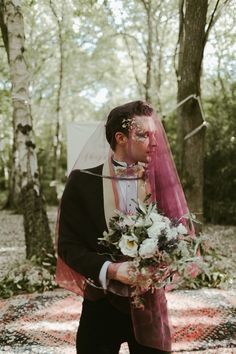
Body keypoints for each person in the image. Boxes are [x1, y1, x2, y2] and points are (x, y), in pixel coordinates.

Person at [56, 101, 191, 354]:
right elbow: (67, 246)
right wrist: (112, 270)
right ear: (120, 137)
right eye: (143, 135)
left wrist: (165, 264)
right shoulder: (82, 182)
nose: (154, 142)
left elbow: (182, 233)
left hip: (150, 305)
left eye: (155, 135)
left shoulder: (162, 182)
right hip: (101, 304)